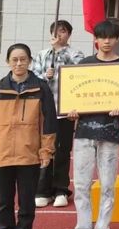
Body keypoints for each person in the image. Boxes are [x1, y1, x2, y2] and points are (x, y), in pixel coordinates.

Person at [0, 43, 57, 229]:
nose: (19, 63)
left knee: (26, 201)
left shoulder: (41, 89)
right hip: (2, 155)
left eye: (23, 59)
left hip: (29, 155)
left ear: (30, 61)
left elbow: (49, 124)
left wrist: (46, 151)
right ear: (8, 62)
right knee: (3, 200)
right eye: (14, 60)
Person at [65, 20, 119, 229]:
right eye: (102, 37)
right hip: (84, 132)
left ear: (117, 39)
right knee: (81, 184)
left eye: (111, 37)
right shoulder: (84, 65)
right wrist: (72, 111)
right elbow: (73, 97)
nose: (106, 41)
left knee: (108, 184)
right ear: (96, 40)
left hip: (110, 133)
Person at [30, 20, 85, 208]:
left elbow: (80, 71)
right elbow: (34, 78)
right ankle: (42, 190)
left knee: (62, 150)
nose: (59, 35)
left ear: (68, 34)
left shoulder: (75, 54)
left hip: (65, 111)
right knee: (44, 150)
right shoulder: (41, 55)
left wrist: (60, 52)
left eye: (62, 31)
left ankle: (61, 189)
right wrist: (45, 76)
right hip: (45, 111)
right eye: (55, 31)